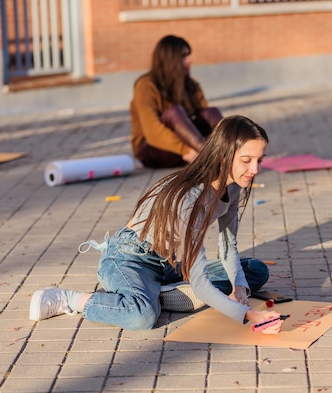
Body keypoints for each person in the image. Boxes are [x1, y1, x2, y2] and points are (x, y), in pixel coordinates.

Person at [29, 115, 284, 334]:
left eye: (259, 160)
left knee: (254, 271)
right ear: (224, 155)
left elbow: (228, 245)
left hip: (170, 263)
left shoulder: (234, 185)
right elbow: (200, 282)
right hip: (130, 258)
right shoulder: (189, 198)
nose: (255, 169)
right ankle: (69, 299)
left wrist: (239, 288)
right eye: (247, 160)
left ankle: (157, 291)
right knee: (143, 316)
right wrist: (248, 314)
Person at [130, 34, 224, 169]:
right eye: (184, 56)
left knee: (211, 113)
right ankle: (208, 157)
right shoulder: (146, 85)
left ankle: (232, 151)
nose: (190, 60)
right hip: (153, 149)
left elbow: (205, 121)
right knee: (175, 112)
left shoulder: (191, 85)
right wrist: (186, 150)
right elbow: (152, 131)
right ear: (170, 60)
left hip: (191, 149)